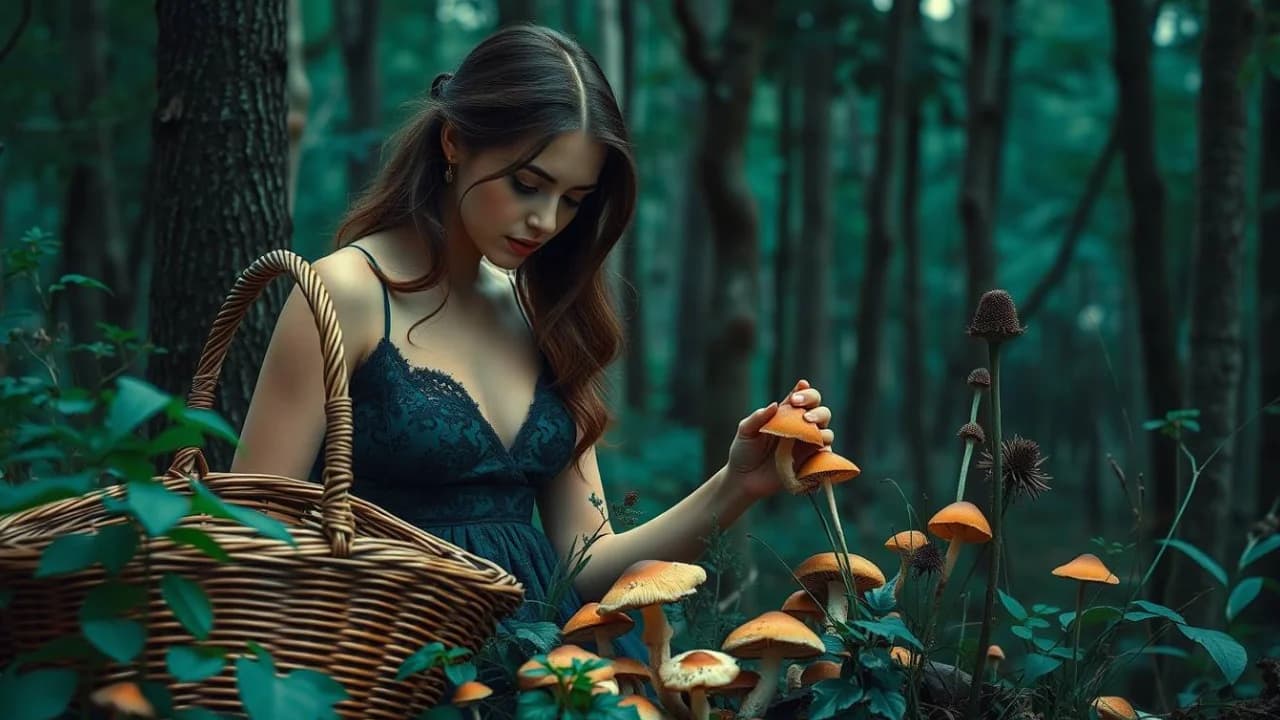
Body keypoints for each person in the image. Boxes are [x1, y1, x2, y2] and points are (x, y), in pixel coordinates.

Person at [231, 23, 835, 706]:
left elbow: (589, 564)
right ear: (454, 142)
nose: (546, 221)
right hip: (395, 671)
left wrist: (736, 483)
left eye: (574, 200)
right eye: (527, 184)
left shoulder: (542, 311)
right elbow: (250, 533)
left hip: (557, 675)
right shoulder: (344, 293)